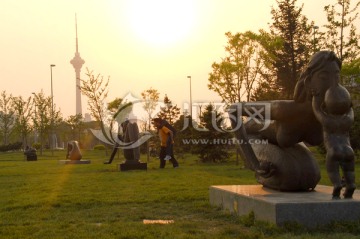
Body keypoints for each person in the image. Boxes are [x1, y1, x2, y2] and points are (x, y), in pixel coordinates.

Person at [312, 84, 355, 199]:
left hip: (333, 149)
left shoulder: (327, 121)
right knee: (349, 170)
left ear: (326, 105)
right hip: (348, 149)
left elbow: (316, 109)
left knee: (332, 170)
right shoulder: (348, 120)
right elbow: (351, 110)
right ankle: (350, 185)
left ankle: (337, 185)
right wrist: (349, 105)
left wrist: (315, 97)